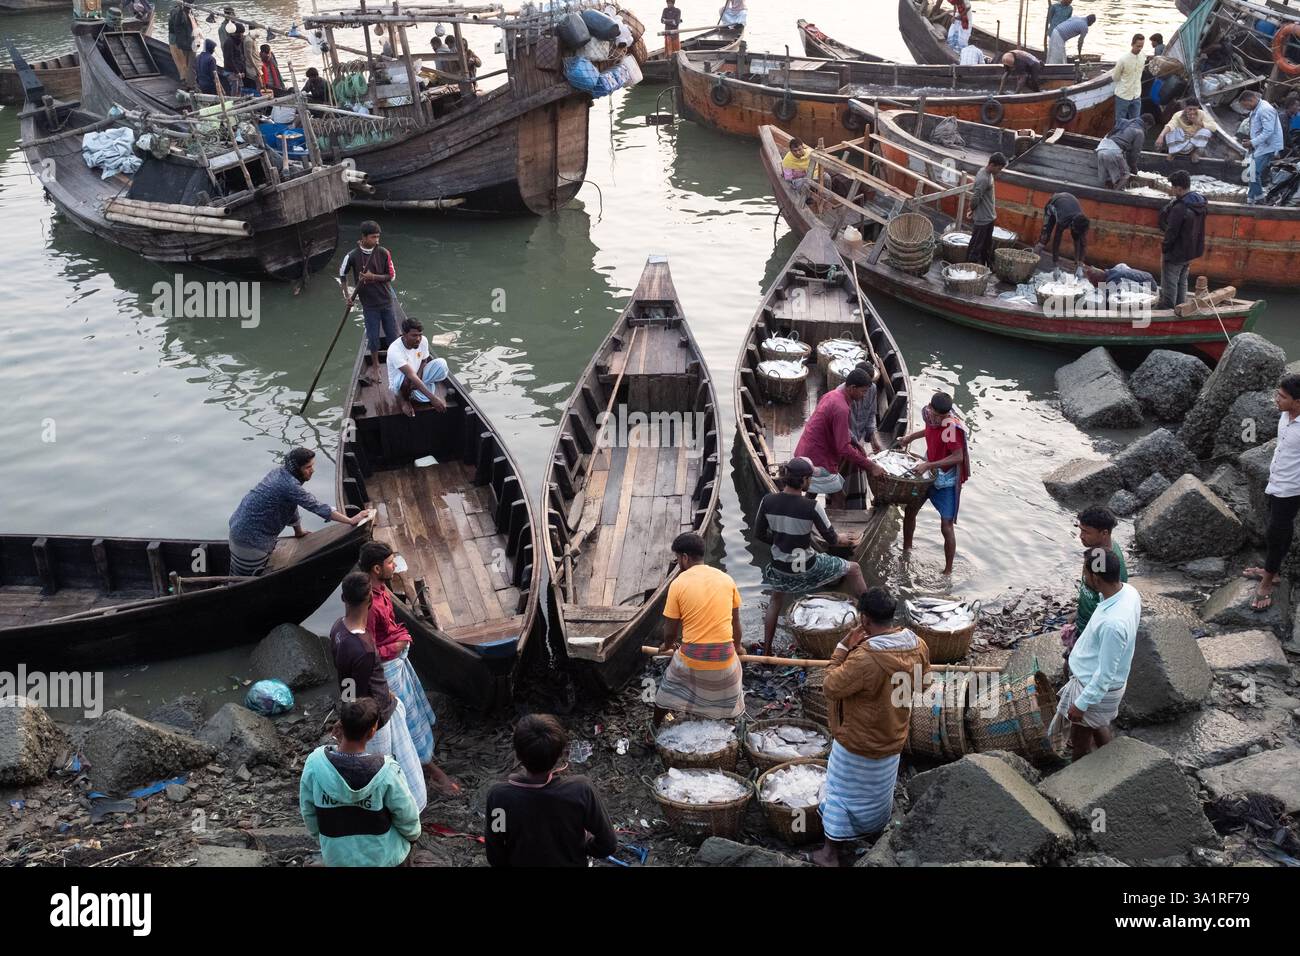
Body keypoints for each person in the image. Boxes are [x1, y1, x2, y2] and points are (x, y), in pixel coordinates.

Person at [813, 588, 930, 866]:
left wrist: (842, 648)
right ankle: (873, 829)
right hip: (893, 735)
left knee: (841, 791)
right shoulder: (917, 644)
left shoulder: (864, 658)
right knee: (877, 791)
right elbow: (924, 683)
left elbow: (830, 686)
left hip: (857, 740)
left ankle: (830, 853)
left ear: (864, 620)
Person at [358, 541, 461, 797]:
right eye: (391, 563)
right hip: (387, 669)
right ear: (376, 568)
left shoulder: (381, 589)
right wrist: (394, 647)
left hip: (397, 658)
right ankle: (428, 769)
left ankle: (425, 759)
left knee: (413, 712)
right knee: (405, 721)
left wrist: (399, 641)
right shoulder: (368, 604)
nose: (395, 566)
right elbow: (367, 650)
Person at [329, 572, 428, 812]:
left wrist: (345, 712)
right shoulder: (364, 648)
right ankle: (399, 809)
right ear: (370, 602)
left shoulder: (337, 629)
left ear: (343, 598)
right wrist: (369, 721)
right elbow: (364, 696)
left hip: (366, 706)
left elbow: (349, 684)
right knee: (385, 765)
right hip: (377, 716)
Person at [754, 458, 868, 656]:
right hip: (808, 567)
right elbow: (832, 539)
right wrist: (845, 539)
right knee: (854, 569)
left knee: (775, 600)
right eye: (810, 479)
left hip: (781, 568)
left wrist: (780, 541)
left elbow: (760, 534)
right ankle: (870, 616)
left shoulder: (768, 501)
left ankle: (766, 651)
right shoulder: (812, 506)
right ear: (805, 480)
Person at [299, 696, 422, 867]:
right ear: (372, 731)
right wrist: (413, 836)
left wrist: (324, 841)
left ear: (340, 725)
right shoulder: (387, 770)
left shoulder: (314, 763)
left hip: (337, 857)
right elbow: (406, 816)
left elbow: (308, 811)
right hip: (384, 859)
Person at [484, 714, 617, 867]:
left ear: (517, 754)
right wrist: (584, 848)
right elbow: (608, 843)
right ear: (560, 754)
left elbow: (495, 852)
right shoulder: (581, 791)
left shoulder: (499, 798)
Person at [652, 533, 745, 727]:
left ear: (685, 558)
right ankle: (726, 722)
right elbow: (736, 624)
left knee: (665, 694)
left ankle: (652, 730)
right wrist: (738, 648)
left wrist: (666, 646)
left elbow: (670, 631)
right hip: (724, 658)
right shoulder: (726, 579)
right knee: (733, 674)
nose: (678, 563)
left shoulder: (678, 584)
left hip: (693, 659)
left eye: (677, 558)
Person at [1054, 547, 1140, 758]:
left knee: (1080, 743)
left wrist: (1081, 704)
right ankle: (1109, 759)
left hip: (1093, 691)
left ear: (1095, 577)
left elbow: (1104, 675)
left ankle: (1078, 779)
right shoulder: (1128, 592)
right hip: (1096, 687)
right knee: (1096, 725)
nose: (1083, 576)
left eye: (1085, 572)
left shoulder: (1113, 625)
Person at [227, 447, 365, 576]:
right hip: (250, 541)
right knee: (246, 579)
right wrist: (350, 520)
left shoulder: (279, 473)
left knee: (236, 575)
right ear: (296, 469)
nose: (312, 470)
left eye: (312, 466)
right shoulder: (290, 485)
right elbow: (316, 506)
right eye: (308, 467)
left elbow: (291, 505)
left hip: (237, 529)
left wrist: (298, 531)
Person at [1244, 374, 1300, 611]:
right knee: (1276, 529)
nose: (1276, 399)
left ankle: (1267, 582)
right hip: (1275, 482)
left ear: (1297, 402)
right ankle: (1272, 569)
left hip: (1291, 489)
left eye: (1282, 396)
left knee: (1276, 534)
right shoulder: (1285, 415)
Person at [794, 367, 886, 510]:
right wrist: (870, 465)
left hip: (806, 451)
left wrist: (857, 445)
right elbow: (843, 448)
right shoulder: (841, 408)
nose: (864, 396)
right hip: (818, 460)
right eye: (863, 391)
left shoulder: (832, 395)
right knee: (839, 497)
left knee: (812, 490)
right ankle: (831, 528)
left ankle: (803, 511)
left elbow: (841, 433)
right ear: (852, 388)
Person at [899, 392, 970, 576]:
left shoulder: (950, 427)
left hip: (945, 480)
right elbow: (929, 430)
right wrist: (911, 437)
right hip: (927, 473)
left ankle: (947, 571)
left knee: (946, 526)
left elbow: (957, 457)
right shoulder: (930, 416)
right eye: (936, 414)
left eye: (942, 416)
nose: (938, 418)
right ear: (931, 407)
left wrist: (929, 465)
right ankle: (906, 551)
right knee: (910, 510)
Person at [1058, 506, 1127, 656]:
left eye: (1086, 532)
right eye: (1081, 530)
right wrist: (1078, 614)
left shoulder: (1106, 565)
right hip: (1083, 623)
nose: (1081, 536)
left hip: (1091, 631)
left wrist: (1087, 631)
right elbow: (1091, 591)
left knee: (1074, 666)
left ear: (1104, 533)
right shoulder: (1097, 553)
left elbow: (1111, 606)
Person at [338, 221, 400, 374]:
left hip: (386, 301)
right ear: (364, 237)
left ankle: (395, 363)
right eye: (373, 237)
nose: (377, 241)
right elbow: (342, 274)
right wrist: (347, 296)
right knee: (373, 339)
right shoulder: (352, 255)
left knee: (393, 336)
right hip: (369, 305)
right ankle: (376, 366)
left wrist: (373, 277)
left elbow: (391, 276)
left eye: (378, 237)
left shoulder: (383, 252)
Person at [1158, 169, 1206, 309]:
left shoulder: (1180, 208)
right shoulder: (1200, 204)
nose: (1172, 190)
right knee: (1182, 281)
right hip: (1190, 252)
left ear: (1179, 188)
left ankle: (1168, 309)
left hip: (1176, 252)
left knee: (1170, 282)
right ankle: (1181, 307)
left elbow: (1171, 232)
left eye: (1173, 187)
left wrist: (1165, 250)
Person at [387, 318, 449, 416]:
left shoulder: (423, 341)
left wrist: (419, 375)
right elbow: (410, 374)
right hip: (400, 383)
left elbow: (424, 360)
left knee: (442, 364)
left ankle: (417, 388)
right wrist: (433, 398)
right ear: (404, 334)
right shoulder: (395, 349)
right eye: (414, 335)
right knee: (408, 379)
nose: (418, 339)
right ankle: (404, 400)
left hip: (415, 376)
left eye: (420, 335)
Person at [965, 152, 1007, 267]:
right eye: (999, 168)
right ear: (992, 165)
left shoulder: (988, 174)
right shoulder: (983, 178)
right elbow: (976, 197)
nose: (1000, 171)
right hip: (982, 219)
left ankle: (986, 266)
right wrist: (971, 210)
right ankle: (968, 268)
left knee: (986, 246)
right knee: (976, 246)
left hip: (989, 217)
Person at [1241, 90, 1283, 202]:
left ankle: (1260, 199)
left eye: (1246, 105)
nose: (1246, 108)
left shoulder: (1265, 109)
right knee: (1252, 173)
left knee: (1252, 173)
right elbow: (1258, 129)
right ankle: (1250, 199)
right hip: (1261, 146)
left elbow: (1268, 131)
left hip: (1268, 147)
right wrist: (1251, 141)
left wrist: (1252, 142)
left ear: (1252, 100)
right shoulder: (1256, 109)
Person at [1033, 191, 1090, 271]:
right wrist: (1055, 265)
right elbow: (1056, 242)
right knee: (1045, 238)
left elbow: (1083, 244)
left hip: (1067, 203)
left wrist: (1080, 265)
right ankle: (1031, 261)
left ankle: (1077, 264)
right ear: (1072, 224)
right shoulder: (1063, 220)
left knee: (1077, 238)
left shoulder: (1082, 223)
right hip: (1052, 206)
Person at [1095, 116, 1146, 189]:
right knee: (1125, 175)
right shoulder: (1139, 131)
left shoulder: (1124, 123)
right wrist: (1133, 167)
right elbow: (1135, 153)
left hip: (1100, 149)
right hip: (1113, 151)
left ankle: (1107, 192)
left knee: (1108, 178)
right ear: (1147, 124)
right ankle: (1115, 194)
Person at [845, 361, 884, 455]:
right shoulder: (842, 397)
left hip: (859, 436)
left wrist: (873, 436)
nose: (866, 393)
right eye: (863, 389)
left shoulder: (872, 388)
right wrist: (857, 444)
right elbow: (843, 428)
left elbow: (871, 413)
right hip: (845, 439)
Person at [1112, 34, 1146, 124]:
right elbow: (1115, 77)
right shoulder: (1123, 60)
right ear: (1132, 44)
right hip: (1123, 95)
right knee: (1119, 122)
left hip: (1136, 95)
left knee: (1135, 122)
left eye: (1141, 46)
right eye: (1138, 46)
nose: (1139, 48)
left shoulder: (1143, 57)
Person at [167, 0, 195, 88]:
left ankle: (186, 79)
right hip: (178, 39)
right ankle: (185, 80)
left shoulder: (187, 12)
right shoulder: (178, 12)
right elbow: (177, 26)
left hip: (182, 40)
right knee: (183, 62)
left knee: (184, 62)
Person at [239, 25, 262, 93]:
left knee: (259, 83)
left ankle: (258, 95)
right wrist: (256, 68)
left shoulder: (252, 39)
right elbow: (249, 56)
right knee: (259, 84)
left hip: (256, 65)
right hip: (252, 66)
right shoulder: (249, 40)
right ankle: (258, 97)